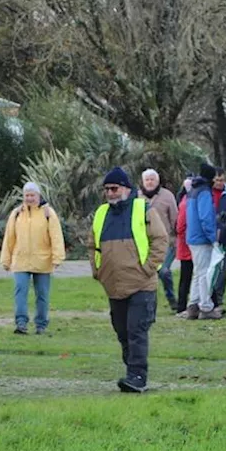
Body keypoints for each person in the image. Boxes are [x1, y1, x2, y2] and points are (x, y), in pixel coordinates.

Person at [91, 167, 169, 393]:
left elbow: (161, 240)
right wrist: (97, 270)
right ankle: (132, 371)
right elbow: (93, 245)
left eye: (114, 188)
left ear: (126, 188)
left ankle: (137, 376)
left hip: (141, 285)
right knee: (122, 331)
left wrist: (148, 268)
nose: (110, 193)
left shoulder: (143, 209)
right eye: (106, 189)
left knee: (136, 331)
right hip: (114, 285)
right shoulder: (101, 213)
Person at [0, 182, 66, 335]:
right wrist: (6, 259)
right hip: (20, 261)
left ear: (38, 195)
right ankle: (21, 323)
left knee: (42, 295)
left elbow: (56, 237)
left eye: (32, 195)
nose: (29, 198)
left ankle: (41, 325)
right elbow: (9, 237)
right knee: (20, 292)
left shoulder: (48, 213)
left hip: (43, 261)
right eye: (27, 195)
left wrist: (57, 258)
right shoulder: (16, 214)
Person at [182, 166, 224, 320]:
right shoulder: (205, 192)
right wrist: (213, 238)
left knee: (198, 272)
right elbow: (205, 217)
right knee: (205, 273)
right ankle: (206, 307)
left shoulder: (193, 190)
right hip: (202, 238)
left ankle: (193, 305)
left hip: (193, 236)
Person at [140, 169, 179, 308]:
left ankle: (172, 298)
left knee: (163, 271)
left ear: (158, 181)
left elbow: (175, 218)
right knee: (147, 273)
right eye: (147, 180)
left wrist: (176, 237)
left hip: (166, 242)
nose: (150, 182)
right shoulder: (137, 197)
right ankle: (149, 302)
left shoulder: (167, 196)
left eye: (152, 179)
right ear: (143, 182)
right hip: (144, 243)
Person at [209, 166, 226, 308]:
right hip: (208, 237)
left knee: (222, 270)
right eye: (217, 180)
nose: (219, 183)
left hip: (224, 237)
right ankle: (209, 295)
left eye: (222, 180)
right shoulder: (207, 193)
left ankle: (218, 297)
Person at [174, 181, 193, 313]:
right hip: (188, 245)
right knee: (186, 277)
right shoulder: (186, 203)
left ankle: (182, 305)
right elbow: (180, 227)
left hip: (186, 244)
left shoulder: (185, 201)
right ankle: (181, 305)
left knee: (186, 277)